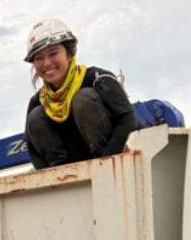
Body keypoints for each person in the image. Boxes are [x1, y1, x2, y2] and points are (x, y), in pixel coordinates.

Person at [24, 18, 138, 170]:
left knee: (83, 99)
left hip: (115, 164)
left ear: (70, 53)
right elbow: (32, 149)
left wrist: (103, 166)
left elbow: (128, 122)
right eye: (39, 58)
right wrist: (53, 177)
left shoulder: (99, 80)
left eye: (53, 53)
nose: (47, 63)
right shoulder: (37, 102)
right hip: (70, 175)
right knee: (35, 117)